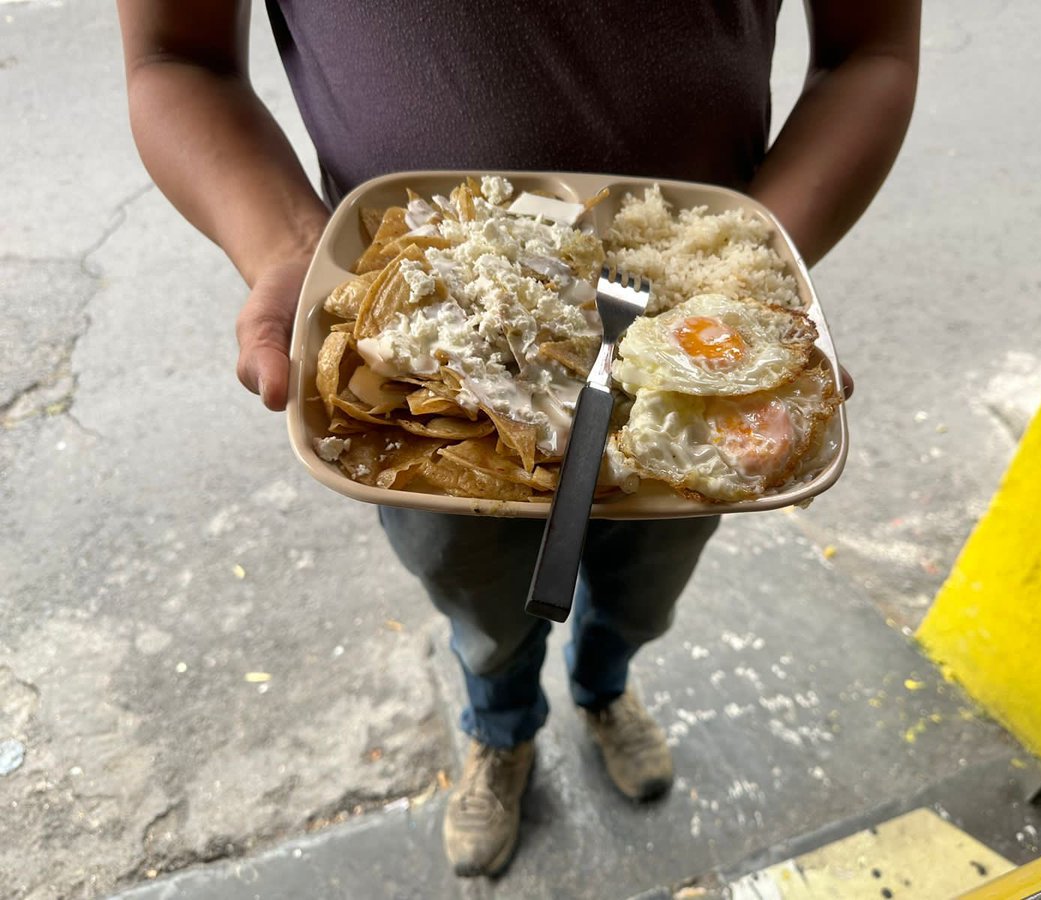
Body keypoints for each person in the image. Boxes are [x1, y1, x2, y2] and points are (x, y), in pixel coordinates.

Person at [117, 0, 919, 879]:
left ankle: (603, 688)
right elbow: (175, 61)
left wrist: (751, 295)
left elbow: (867, 51)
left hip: (681, 304)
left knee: (645, 592)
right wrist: (292, 248)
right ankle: (500, 732)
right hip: (429, 360)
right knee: (481, 611)